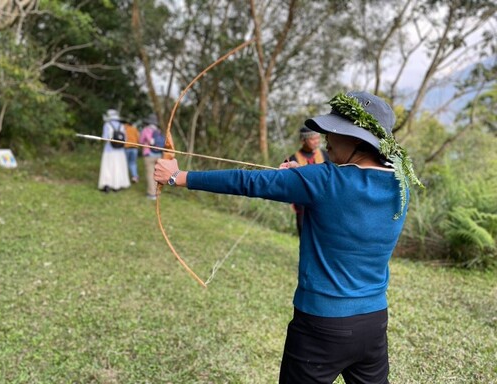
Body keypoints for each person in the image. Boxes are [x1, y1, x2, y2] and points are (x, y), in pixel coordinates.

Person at [154, 91, 423, 384]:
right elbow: (350, 188)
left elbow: (249, 182)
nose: (326, 138)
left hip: (321, 325)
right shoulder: (401, 183)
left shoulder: (322, 179)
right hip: (373, 321)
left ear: (359, 141)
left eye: (335, 132)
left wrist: (178, 176)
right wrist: (302, 176)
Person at [286, 126, 329, 236]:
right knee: (305, 233)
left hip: (324, 201)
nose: (317, 141)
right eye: (313, 139)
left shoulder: (326, 155)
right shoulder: (293, 158)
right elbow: (288, 182)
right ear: (304, 140)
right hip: (303, 204)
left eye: (318, 138)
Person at [98, 109, 130, 192]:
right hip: (120, 151)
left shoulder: (107, 125)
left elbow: (105, 138)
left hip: (109, 150)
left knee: (107, 168)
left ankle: (107, 186)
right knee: (119, 167)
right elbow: (125, 139)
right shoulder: (121, 126)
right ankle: (117, 186)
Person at [139, 113, 165, 200]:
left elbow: (141, 141)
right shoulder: (158, 131)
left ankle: (151, 194)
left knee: (150, 174)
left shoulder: (146, 130)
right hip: (158, 155)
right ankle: (157, 192)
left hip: (149, 154)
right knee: (156, 174)